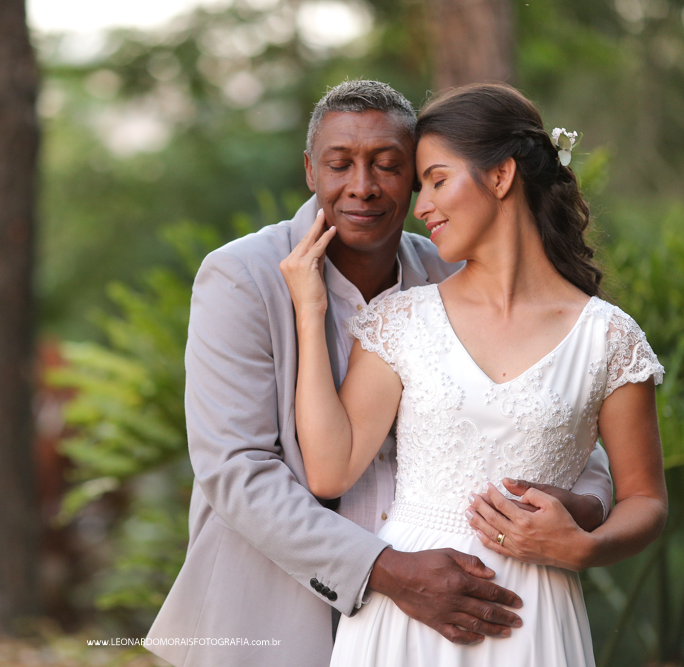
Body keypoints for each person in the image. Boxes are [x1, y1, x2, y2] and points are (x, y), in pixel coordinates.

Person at [146, 80, 615, 667]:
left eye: (388, 166)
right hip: (272, 614)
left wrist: (586, 505)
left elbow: (560, 421)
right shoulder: (242, 277)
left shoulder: (450, 275)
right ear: (310, 170)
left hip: (441, 626)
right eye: (339, 164)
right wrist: (388, 571)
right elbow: (237, 469)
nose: (362, 186)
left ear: (415, 176)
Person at [282, 83, 667, 666]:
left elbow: (645, 500)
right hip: (405, 623)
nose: (421, 207)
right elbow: (330, 470)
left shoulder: (609, 337)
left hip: (534, 617)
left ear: (501, 176)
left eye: (437, 180)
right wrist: (310, 314)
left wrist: (583, 549)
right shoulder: (401, 320)